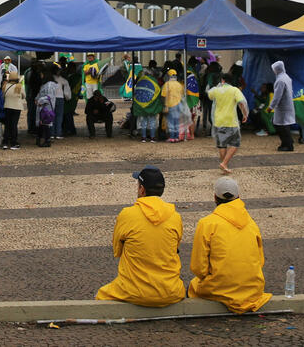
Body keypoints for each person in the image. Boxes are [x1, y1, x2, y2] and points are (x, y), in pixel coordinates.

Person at [96, 166, 185, 307]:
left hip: (133, 291)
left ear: (142, 190)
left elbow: (117, 251)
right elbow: (174, 249)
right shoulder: (175, 217)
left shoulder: (127, 214)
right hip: (170, 292)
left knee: (101, 295)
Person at [188, 177, 272, 314]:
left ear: (215, 197)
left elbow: (198, 268)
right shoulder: (252, 224)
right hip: (252, 290)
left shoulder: (207, 223)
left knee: (193, 286)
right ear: (238, 197)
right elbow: (260, 261)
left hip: (219, 288)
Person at [207, 73, 248, 174]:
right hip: (231, 121)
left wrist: (217, 87)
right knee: (235, 143)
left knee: (222, 145)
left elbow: (209, 95)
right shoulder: (234, 90)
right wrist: (244, 114)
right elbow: (241, 103)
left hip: (218, 121)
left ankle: (224, 165)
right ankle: (224, 163)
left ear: (222, 80)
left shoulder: (216, 90)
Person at [270, 60, 295, 152]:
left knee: (281, 126)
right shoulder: (286, 77)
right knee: (284, 125)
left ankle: (288, 144)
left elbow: (277, 96)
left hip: (282, 106)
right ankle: (287, 143)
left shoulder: (280, 80)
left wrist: (271, 107)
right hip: (287, 104)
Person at [1, 71, 24, 150]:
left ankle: (5, 143)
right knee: (14, 125)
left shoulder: (5, 86)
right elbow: (24, 96)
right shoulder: (19, 86)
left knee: (7, 125)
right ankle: (14, 143)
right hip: (17, 107)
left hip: (7, 106)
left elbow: (3, 96)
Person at [35, 70, 58, 147]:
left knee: (45, 124)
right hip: (43, 106)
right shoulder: (45, 84)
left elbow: (49, 97)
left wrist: (40, 101)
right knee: (43, 124)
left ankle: (46, 141)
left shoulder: (49, 85)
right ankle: (43, 140)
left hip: (46, 107)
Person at [163, 69, 185, 142]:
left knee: (171, 121)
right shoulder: (179, 84)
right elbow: (182, 94)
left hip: (170, 104)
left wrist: (165, 106)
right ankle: (177, 137)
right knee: (177, 121)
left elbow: (164, 95)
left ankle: (172, 137)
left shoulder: (167, 84)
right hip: (179, 104)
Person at [52, 65, 70, 139]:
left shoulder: (49, 79)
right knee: (59, 117)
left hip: (51, 99)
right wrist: (68, 98)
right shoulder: (62, 80)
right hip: (60, 98)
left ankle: (51, 133)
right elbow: (67, 92)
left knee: (51, 116)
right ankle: (58, 133)